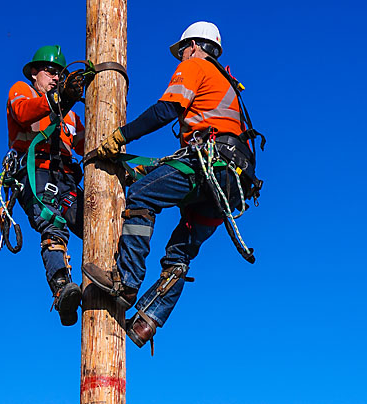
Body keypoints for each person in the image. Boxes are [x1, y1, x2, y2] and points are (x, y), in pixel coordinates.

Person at [83, 21, 258, 350]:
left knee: (141, 195)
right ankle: (147, 322)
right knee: (180, 253)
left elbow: (166, 110)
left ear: (193, 46)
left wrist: (122, 136)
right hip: (230, 187)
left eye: (182, 51)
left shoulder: (196, 65)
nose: (181, 58)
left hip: (208, 165)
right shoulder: (228, 83)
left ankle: (126, 282)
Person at [7, 46, 85, 324]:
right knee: (53, 225)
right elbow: (23, 113)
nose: (54, 78)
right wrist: (57, 98)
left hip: (66, 179)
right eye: (50, 72)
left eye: (60, 75)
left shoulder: (72, 116)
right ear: (34, 72)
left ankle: (110, 283)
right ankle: (62, 289)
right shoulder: (24, 92)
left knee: (97, 225)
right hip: (35, 174)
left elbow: (87, 146)